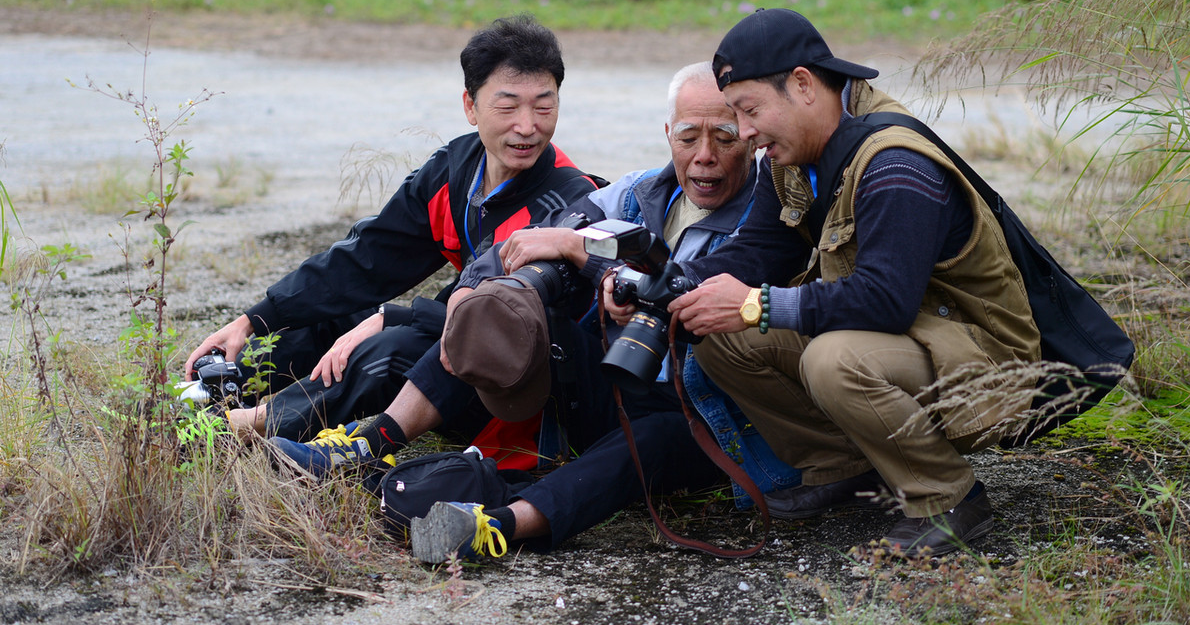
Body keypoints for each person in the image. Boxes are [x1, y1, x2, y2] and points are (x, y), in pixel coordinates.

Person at [270, 62, 804, 559]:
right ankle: (370, 443)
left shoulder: (768, 217)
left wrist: (587, 258)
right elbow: (523, 243)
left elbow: (683, 287)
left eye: (724, 137)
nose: (704, 155)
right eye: (689, 137)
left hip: (700, 414)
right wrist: (470, 294)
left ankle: (496, 526)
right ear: (669, 135)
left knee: (655, 438)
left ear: (752, 139)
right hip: (613, 381)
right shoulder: (642, 190)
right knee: (501, 315)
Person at [666, 8, 1041, 557]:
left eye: (749, 112)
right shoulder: (792, 155)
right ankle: (844, 468)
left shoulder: (894, 164)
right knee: (718, 335)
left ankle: (950, 498)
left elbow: (884, 302)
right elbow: (763, 249)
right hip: (910, 340)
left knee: (833, 360)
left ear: (802, 84)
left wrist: (753, 304)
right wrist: (676, 286)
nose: (744, 134)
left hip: (987, 362)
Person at [183, 15, 601, 447]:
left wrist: (389, 318)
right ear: (470, 106)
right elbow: (366, 259)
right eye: (508, 106)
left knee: (388, 349)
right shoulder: (455, 168)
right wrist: (251, 320)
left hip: (520, 392)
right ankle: (206, 393)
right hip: (452, 349)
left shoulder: (567, 202)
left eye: (544, 107)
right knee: (332, 312)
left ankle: (244, 427)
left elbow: (493, 323)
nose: (528, 126)